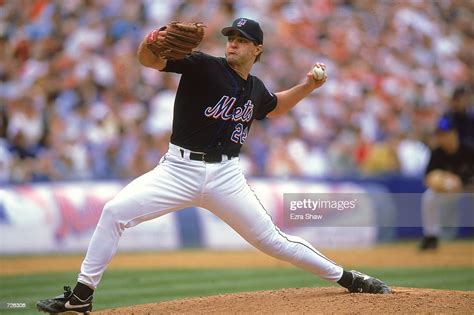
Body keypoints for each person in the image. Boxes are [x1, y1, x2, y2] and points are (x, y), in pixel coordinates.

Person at [37, 18, 390, 314]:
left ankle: (348, 278)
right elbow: (150, 61)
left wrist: (308, 86)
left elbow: (275, 107)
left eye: (242, 40)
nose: (233, 43)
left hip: (226, 176)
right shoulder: (204, 65)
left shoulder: (255, 88)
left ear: (258, 50)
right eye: (231, 38)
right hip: (177, 170)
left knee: (274, 241)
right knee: (114, 212)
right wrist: (150, 41)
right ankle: (81, 297)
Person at [419, 116, 474, 250]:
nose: (442, 138)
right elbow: (428, 178)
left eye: (445, 134)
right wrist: (442, 182)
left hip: (469, 188)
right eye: (439, 135)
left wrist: (462, 183)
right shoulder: (437, 153)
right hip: (449, 190)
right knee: (429, 197)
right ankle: (431, 236)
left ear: (454, 134)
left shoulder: (468, 150)